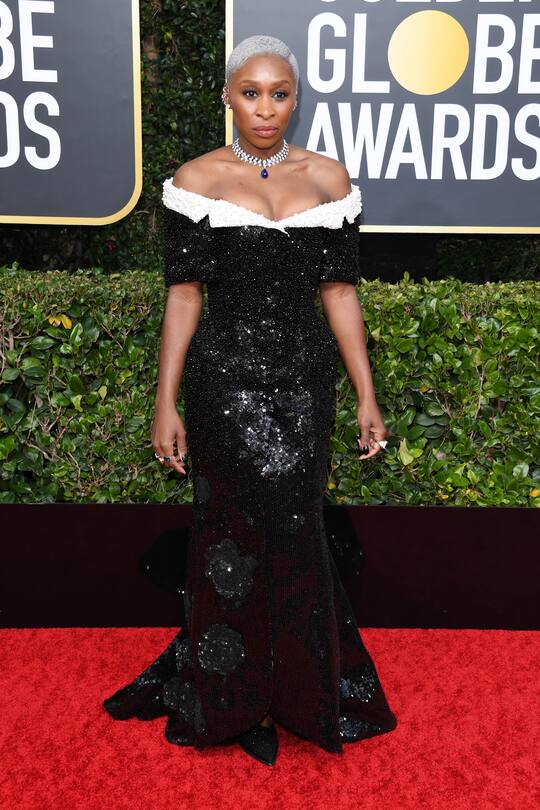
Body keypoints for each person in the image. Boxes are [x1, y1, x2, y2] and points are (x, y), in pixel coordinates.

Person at [103, 34, 397, 766]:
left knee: (297, 532)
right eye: (251, 92)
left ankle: (300, 692)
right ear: (229, 97)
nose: (265, 108)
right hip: (222, 385)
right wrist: (166, 401)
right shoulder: (196, 179)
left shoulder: (328, 178)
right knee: (228, 539)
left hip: (304, 386)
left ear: (296, 99)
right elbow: (183, 298)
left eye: (280, 93)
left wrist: (366, 393)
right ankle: (229, 694)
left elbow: (340, 294)